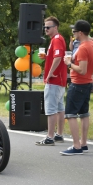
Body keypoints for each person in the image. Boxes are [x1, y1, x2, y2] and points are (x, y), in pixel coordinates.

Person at [60, 20, 93, 155]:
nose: (73, 33)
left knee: (70, 114)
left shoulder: (83, 48)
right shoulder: (92, 44)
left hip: (78, 83)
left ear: (80, 33)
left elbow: (81, 69)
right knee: (84, 114)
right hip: (87, 83)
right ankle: (84, 143)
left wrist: (69, 63)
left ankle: (76, 146)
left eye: (74, 31)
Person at [35, 16, 67, 146]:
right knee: (59, 108)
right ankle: (59, 134)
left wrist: (49, 73)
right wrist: (47, 57)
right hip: (60, 80)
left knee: (51, 109)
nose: (45, 29)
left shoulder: (57, 39)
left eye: (48, 27)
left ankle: (50, 137)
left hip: (54, 80)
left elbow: (58, 57)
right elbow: (56, 56)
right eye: (44, 27)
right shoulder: (57, 39)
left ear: (55, 27)